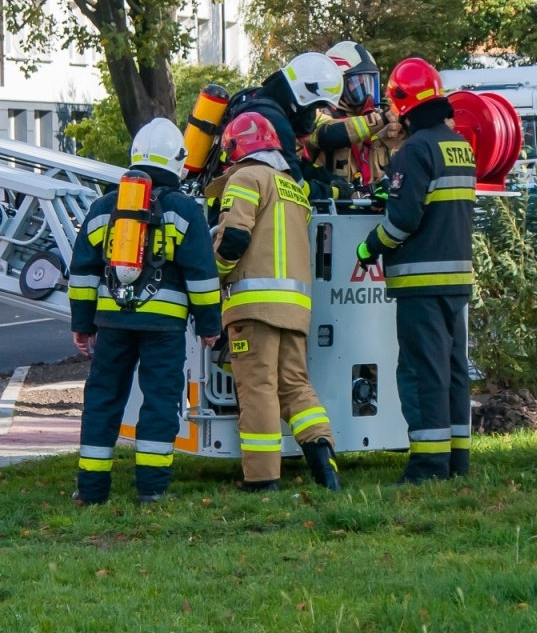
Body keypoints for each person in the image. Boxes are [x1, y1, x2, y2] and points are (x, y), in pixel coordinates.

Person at [66, 118, 222, 505]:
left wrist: (83, 325)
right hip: (164, 327)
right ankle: (151, 489)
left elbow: (83, 272)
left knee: (102, 398)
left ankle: (91, 489)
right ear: (177, 161)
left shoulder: (104, 206)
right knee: (159, 401)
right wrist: (209, 325)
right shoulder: (184, 210)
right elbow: (201, 275)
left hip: (112, 322)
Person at [355, 58, 477, 482]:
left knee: (423, 373)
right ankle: (456, 461)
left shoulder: (415, 150)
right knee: (452, 371)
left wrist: (368, 247)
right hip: (457, 281)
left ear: (404, 104)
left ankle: (427, 467)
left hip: (422, 282)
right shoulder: (458, 145)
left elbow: (402, 222)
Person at [212, 111, 341, 493]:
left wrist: (213, 275)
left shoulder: (245, 178)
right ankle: (325, 465)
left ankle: (262, 479)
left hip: (253, 307)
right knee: (296, 385)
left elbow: (234, 238)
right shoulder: (292, 188)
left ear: (237, 147)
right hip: (295, 307)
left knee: (258, 387)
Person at [219, 53, 344, 183]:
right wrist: (334, 191)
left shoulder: (250, 97)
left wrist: (324, 176)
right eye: (314, 107)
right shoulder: (276, 124)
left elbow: (285, 162)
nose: (312, 116)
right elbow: (296, 186)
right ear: (303, 99)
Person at [306, 41, 403, 196]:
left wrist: (396, 131)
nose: (366, 93)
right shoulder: (315, 114)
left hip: (370, 211)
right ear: (336, 83)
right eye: (357, 83)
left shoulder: (373, 119)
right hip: (330, 211)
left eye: (368, 82)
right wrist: (378, 121)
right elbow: (330, 134)